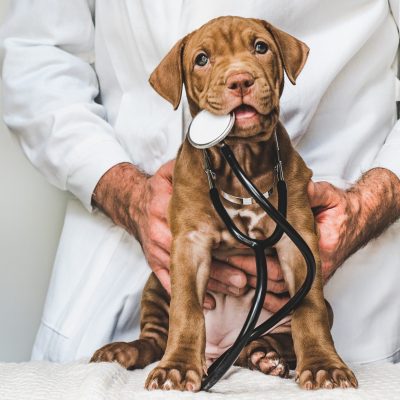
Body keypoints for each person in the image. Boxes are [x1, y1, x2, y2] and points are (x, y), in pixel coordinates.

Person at [1, 0, 400, 364]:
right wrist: (124, 192)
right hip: (123, 280)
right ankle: (160, 340)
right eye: (206, 59)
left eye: (259, 49)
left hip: (346, 285)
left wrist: (372, 202)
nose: (238, 76)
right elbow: (37, 56)